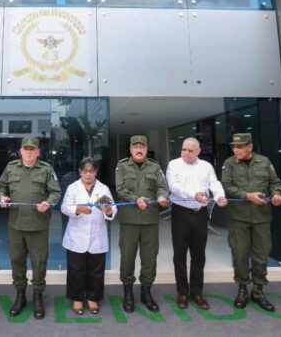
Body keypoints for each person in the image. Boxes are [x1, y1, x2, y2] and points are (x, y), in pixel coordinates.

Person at [0, 136, 61, 320]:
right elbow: (1, 187)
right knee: (17, 261)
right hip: (16, 225)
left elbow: (55, 192)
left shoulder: (46, 169)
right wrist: (2, 197)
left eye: (33, 149)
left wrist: (48, 203)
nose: (29, 152)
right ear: (20, 151)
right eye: (26, 149)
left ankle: (38, 297)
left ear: (38, 152)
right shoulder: (11, 168)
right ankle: (20, 296)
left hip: (38, 226)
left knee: (39, 263)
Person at [220, 132, 281, 312]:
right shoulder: (229, 163)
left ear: (250, 146)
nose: (236, 150)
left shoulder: (264, 162)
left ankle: (258, 290)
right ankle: (242, 288)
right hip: (238, 217)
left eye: (240, 146)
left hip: (261, 217)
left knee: (261, 254)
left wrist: (276, 194)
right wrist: (247, 195)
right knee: (240, 254)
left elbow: (275, 182)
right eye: (234, 147)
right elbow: (226, 186)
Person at [166, 137, 228, 310]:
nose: (186, 152)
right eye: (183, 149)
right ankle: (182, 293)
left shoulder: (206, 166)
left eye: (190, 150)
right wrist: (194, 194)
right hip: (180, 213)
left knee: (199, 255)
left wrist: (220, 196)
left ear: (198, 151)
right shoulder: (174, 165)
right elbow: (174, 187)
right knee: (179, 255)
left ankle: (197, 293)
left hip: (200, 214)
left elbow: (214, 183)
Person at [115, 135, 169, 313]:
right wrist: (135, 199)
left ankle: (146, 292)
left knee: (150, 258)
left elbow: (162, 186)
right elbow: (120, 189)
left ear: (146, 149)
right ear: (130, 149)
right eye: (135, 147)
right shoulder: (122, 166)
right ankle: (128, 292)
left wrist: (162, 196)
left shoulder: (155, 167)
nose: (139, 150)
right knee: (127, 256)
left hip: (149, 220)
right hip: (129, 220)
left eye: (142, 147)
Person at [61, 157, 116, 315]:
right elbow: (64, 207)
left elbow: (112, 209)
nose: (88, 174)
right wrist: (78, 209)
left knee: (95, 270)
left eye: (91, 171)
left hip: (97, 236)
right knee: (76, 269)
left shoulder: (102, 189)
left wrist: (108, 210)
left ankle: (93, 298)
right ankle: (77, 298)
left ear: (96, 172)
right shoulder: (73, 188)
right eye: (85, 171)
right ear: (80, 172)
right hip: (76, 236)